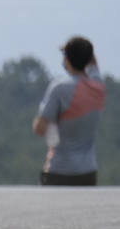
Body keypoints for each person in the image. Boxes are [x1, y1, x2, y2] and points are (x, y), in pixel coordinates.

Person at [32, 36, 105, 185]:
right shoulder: (98, 86)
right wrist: (84, 51)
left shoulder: (60, 88)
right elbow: (92, 63)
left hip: (59, 170)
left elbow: (40, 129)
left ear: (66, 58)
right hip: (88, 171)